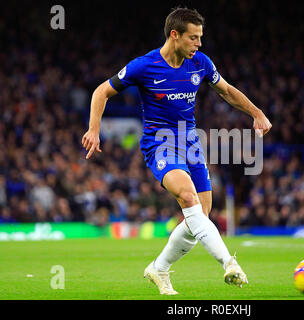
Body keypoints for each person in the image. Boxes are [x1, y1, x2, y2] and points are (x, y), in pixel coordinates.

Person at [81, 7, 272, 295]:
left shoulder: (201, 63)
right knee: (187, 197)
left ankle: (158, 268)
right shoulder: (144, 66)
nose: (199, 44)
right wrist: (94, 129)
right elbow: (101, 92)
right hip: (160, 144)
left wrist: (256, 113)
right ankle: (228, 263)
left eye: (200, 38)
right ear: (175, 35)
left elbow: (228, 91)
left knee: (201, 216)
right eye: (193, 38)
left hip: (191, 143)